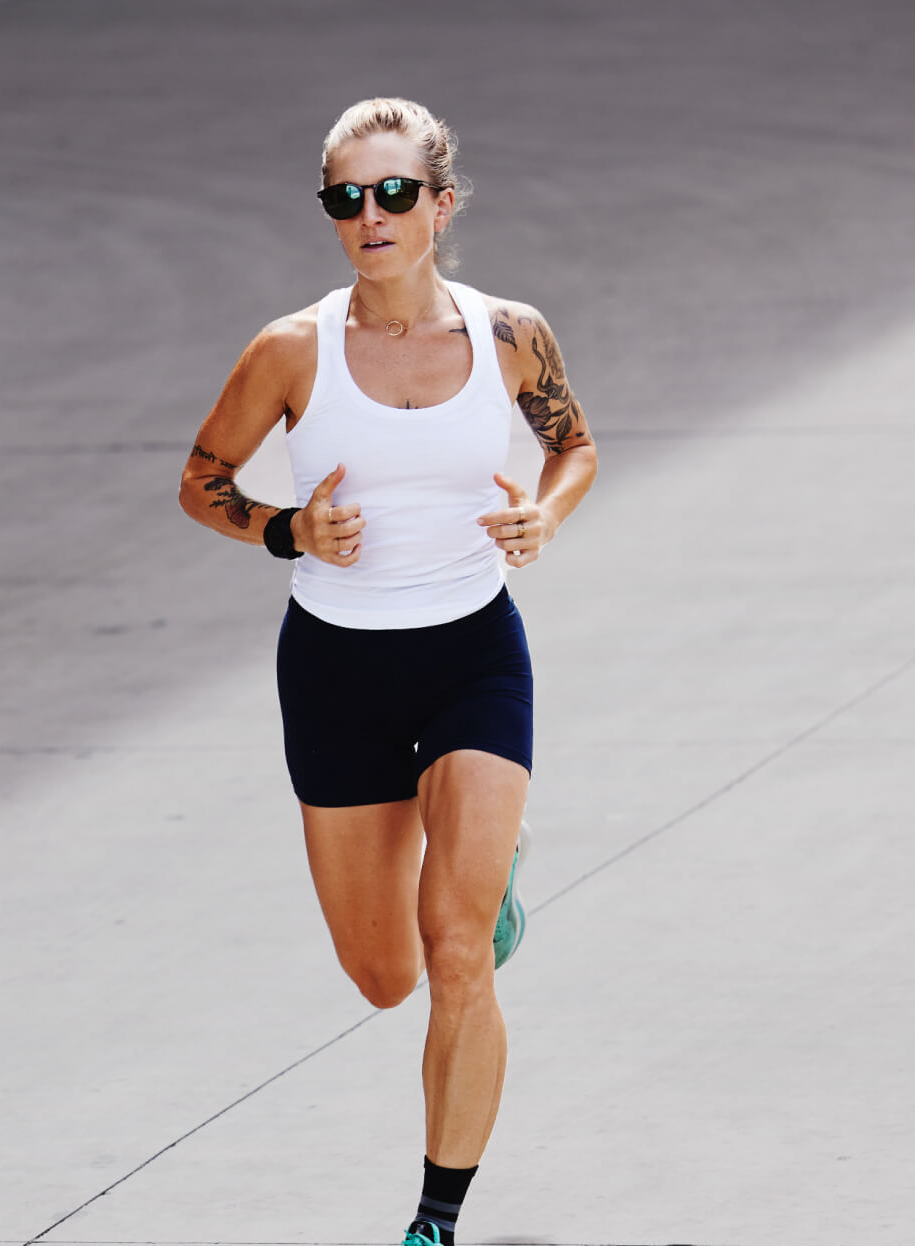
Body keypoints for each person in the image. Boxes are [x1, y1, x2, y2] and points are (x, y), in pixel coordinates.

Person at [174, 97, 597, 1246]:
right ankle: (485, 866)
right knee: (385, 975)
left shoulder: (508, 334)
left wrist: (544, 516)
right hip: (335, 669)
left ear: (440, 206)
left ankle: (432, 1224)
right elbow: (202, 480)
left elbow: (573, 446)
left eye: (396, 192)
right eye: (347, 197)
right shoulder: (290, 350)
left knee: (459, 953)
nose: (371, 214)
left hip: (472, 654)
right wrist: (287, 529)